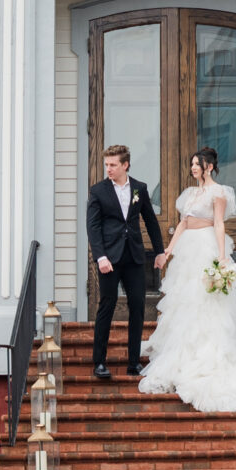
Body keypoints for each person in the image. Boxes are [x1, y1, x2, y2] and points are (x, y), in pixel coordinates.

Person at [138, 146, 236, 413]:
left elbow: (218, 224)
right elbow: (183, 223)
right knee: (184, 300)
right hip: (186, 250)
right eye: (192, 163)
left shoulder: (220, 192)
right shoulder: (190, 194)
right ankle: (182, 352)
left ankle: (207, 355)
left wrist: (221, 256)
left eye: (197, 164)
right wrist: (168, 250)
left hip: (205, 248)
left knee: (205, 300)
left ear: (209, 166)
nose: (193, 167)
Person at [85, 143, 164, 379]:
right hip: (109, 258)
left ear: (125, 165)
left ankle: (133, 363)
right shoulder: (98, 191)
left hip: (134, 257)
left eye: (113, 165)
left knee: (138, 307)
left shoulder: (140, 188)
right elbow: (93, 227)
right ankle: (99, 362)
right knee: (107, 306)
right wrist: (100, 256)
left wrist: (159, 251)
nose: (108, 169)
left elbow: (150, 221)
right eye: (106, 164)